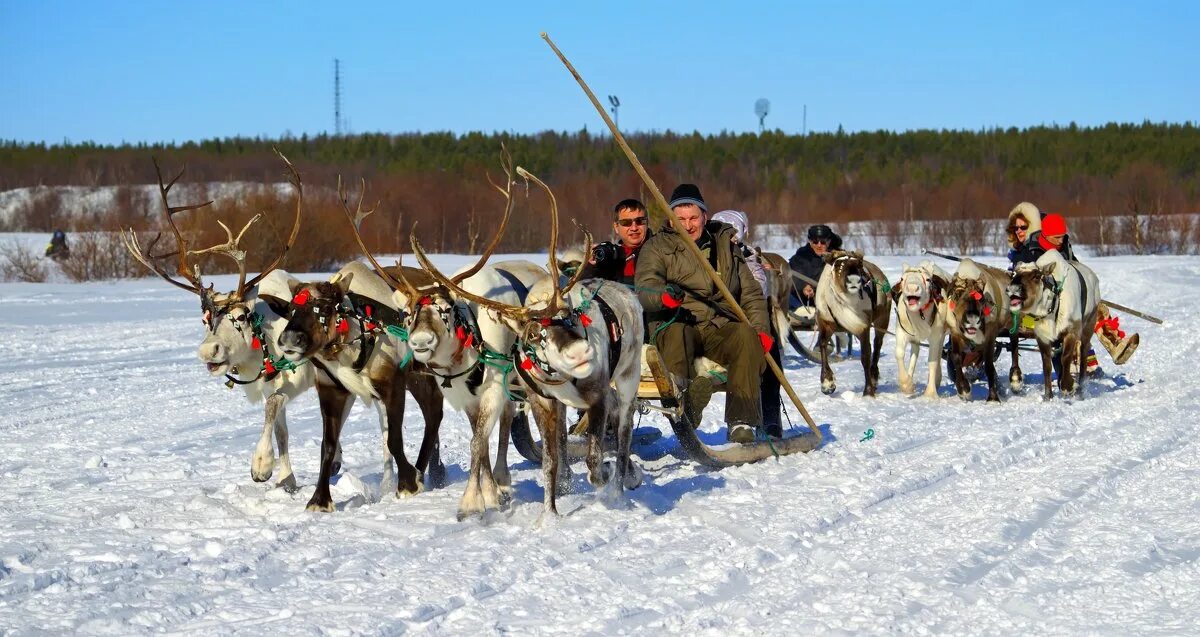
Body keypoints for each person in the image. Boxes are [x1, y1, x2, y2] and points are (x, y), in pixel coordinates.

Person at [635, 184, 772, 443]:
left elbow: (751, 294)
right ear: (670, 219)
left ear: (705, 217)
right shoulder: (656, 247)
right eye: (681, 219)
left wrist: (761, 331)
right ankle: (686, 407)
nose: (687, 225)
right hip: (675, 321)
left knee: (745, 335)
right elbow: (644, 287)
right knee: (678, 335)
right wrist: (662, 296)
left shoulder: (725, 246)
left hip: (717, 326)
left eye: (693, 218)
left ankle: (741, 422)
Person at [1006, 203, 1138, 371]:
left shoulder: (1062, 244)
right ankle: (1078, 364)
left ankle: (1115, 345)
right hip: (1036, 308)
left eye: (1023, 226)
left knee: (1096, 308)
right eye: (1015, 228)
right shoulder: (1026, 251)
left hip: (1064, 298)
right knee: (1071, 315)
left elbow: (1075, 267)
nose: (1018, 231)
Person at [710, 209, 783, 439]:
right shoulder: (704, 254)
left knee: (771, 361)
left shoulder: (749, 258)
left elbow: (757, 292)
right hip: (712, 325)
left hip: (745, 323)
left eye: (734, 231)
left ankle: (770, 419)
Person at [580, 198, 650, 285]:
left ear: (647, 223)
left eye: (639, 221)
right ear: (616, 227)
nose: (634, 228)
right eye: (626, 223)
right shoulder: (613, 256)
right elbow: (583, 289)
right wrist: (592, 266)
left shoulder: (659, 250)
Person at [787, 224, 842, 309]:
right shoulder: (800, 256)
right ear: (810, 241)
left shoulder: (838, 257)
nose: (819, 245)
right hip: (803, 301)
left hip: (831, 302)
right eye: (815, 242)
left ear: (829, 242)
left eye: (823, 242)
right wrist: (803, 287)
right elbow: (793, 275)